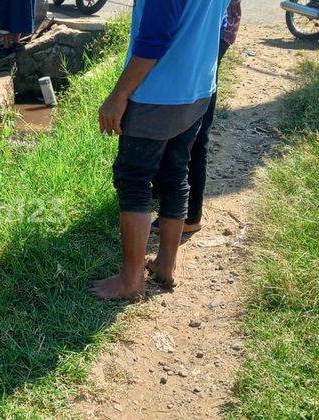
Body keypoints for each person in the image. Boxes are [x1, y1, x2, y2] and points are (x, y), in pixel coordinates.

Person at [91, 0, 231, 300]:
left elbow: (154, 40)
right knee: (175, 173)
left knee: (133, 179)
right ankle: (166, 264)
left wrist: (119, 94)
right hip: (199, 88)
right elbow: (221, 23)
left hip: (157, 95)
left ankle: (130, 281)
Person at [153, 0, 243, 234]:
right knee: (192, 125)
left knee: (194, 129)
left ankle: (188, 214)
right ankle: (181, 209)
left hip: (207, 31)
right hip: (210, 30)